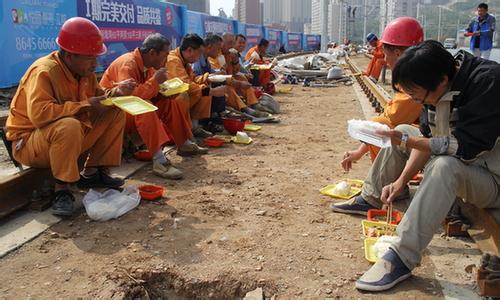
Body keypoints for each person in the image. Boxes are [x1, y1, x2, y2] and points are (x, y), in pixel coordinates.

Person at [354, 40, 500, 291]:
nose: (414, 100)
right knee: (402, 129)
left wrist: (409, 141)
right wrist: (400, 181)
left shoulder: (488, 83)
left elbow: (462, 147)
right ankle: (372, 196)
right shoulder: (434, 83)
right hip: (468, 166)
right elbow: (426, 139)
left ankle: (402, 256)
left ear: (442, 81)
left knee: (443, 166)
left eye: (416, 95)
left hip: (492, 177)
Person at [5, 17, 135, 216]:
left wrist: (115, 94)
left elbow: (98, 98)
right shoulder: (45, 71)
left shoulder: (84, 72)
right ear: (70, 55)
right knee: (69, 125)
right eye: (90, 57)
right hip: (29, 143)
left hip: (62, 139)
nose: (95, 63)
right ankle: (62, 190)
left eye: (96, 57)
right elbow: (40, 115)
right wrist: (83, 105)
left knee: (114, 110)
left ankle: (94, 171)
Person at [100, 34, 208, 180]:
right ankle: (159, 160)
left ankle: (184, 143)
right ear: (152, 53)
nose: (166, 61)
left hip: (128, 109)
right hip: (113, 114)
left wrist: (164, 93)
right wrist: (155, 82)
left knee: (169, 103)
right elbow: (132, 98)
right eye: (164, 56)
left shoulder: (148, 65)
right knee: (145, 107)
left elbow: (149, 91)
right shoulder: (128, 64)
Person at [340, 17, 424, 172]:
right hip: (437, 138)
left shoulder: (415, 83)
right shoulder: (418, 72)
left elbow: (389, 120)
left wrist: (359, 151)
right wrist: (359, 152)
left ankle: (388, 179)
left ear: (398, 53)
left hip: (436, 144)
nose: (385, 60)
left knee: (379, 124)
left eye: (386, 55)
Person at [166, 34, 227, 138]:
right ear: (189, 50)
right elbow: (184, 84)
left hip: (181, 94)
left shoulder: (184, 60)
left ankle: (195, 127)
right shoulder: (173, 60)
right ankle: (181, 134)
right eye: (199, 54)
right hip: (168, 100)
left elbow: (193, 79)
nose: (199, 57)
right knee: (190, 94)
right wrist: (211, 91)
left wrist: (207, 78)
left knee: (204, 87)